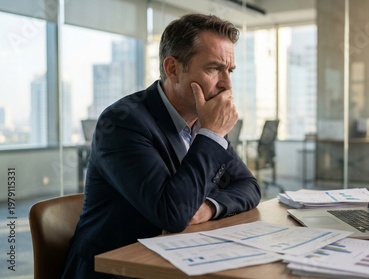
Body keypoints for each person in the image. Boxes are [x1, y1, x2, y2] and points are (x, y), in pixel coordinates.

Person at [62, 13, 261, 278]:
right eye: (214, 69)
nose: (227, 84)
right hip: (116, 268)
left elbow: (249, 186)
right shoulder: (123, 123)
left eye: (230, 70)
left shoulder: (203, 122)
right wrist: (212, 133)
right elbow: (173, 214)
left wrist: (208, 207)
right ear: (173, 69)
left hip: (178, 256)